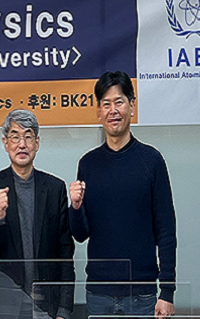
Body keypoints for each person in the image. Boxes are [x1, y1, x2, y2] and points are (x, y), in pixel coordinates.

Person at [70, 71, 177, 318]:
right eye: (106, 104)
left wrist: (167, 291)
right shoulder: (88, 164)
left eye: (119, 102)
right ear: (98, 112)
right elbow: (80, 234)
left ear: (132, 106)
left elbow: (166, 230)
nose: (113, 110)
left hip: (142, 295)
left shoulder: (151, 161)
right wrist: (75, 208)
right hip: (98, 294)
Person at [0, 109, 75, 319]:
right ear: (6, 143)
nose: (22, 144)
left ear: (37, 143)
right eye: (15, 137)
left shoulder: (55, 189)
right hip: (5, 306)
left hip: (46, 306)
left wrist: (64, 309)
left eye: (28, 137)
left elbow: (65, 253)